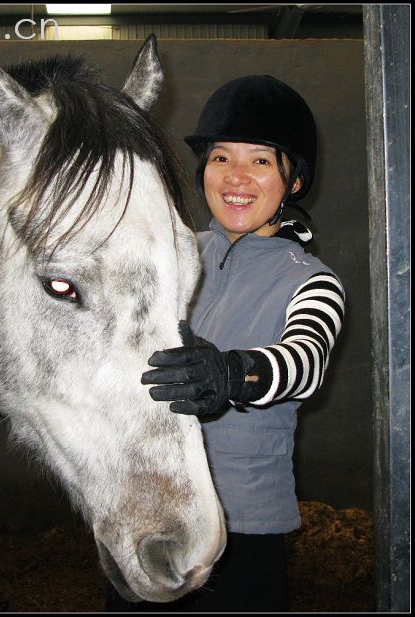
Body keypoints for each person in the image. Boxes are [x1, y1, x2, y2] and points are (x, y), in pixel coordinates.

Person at [106, 75, 346, 612]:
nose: (236, 177)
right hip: (150, 517)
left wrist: (232, 375)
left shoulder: (312, 282)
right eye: (220, 159)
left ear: (295, 180)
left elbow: (303, 361)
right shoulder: (174, 257)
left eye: (261, 161)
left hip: (242, 530)